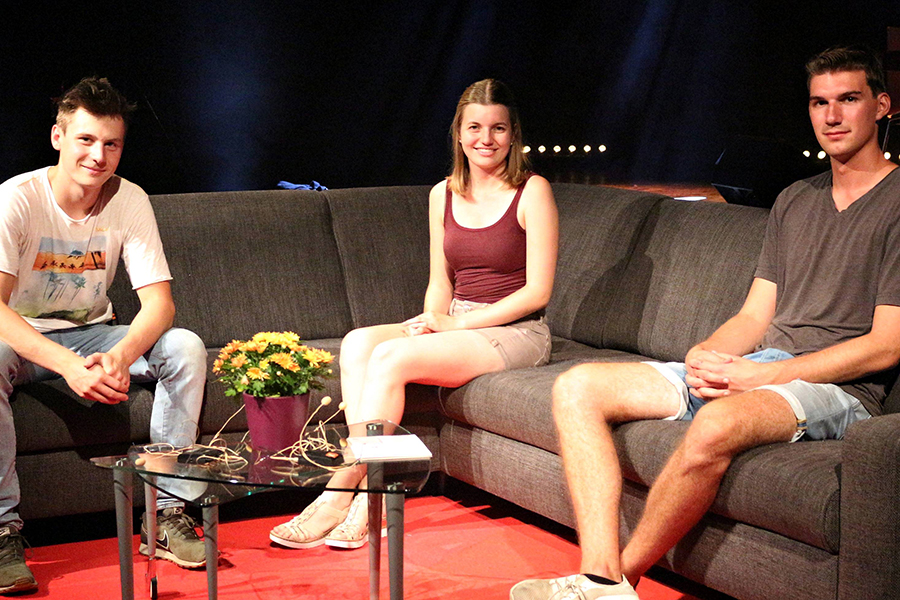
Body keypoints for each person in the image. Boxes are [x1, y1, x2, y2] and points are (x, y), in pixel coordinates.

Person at [511, 44, 899, 600]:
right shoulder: (796, 200)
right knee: (578, 387)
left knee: (716, 423)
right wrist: (708, 352)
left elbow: (886, 345)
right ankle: (598, 573)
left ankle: (616, 583)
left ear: (881, 106)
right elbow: (756, 313)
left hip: (842, 389)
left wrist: (762, 377)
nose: (832, 116)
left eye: (849, 99)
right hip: (766, 365)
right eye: (820, 103)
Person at [269, 78, 559, 550]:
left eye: (498, 128)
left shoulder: (532, 191)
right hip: (458, 320)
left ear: (513, 136)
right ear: (459, 134)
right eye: (475, 127)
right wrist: (431, 321)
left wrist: (455, 325)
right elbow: (441, 281)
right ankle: (366, 491)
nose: (486, 139)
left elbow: (537, 292)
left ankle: (349, 492)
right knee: (359, 343)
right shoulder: (442, 193)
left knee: (391, 357)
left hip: (516, 330)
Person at [0, 77, 208, 594]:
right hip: (24, 340)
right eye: (86, 140)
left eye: (111, 144)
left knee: (185, 347)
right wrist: (69, 367)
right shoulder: (18, 198)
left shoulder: (129, 199)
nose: (98, 156)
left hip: (96, 333)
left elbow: (159, 304)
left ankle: (166, 515)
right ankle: (3, 531)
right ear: (58, 137)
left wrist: (119, 354)